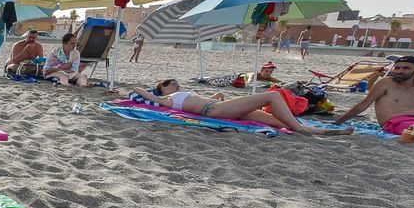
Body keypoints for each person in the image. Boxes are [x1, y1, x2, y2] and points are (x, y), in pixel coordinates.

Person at [132, 79, 353, 136]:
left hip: (220, 107)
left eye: (176, 82)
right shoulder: (168, 100)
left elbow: (199, 101)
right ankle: (304, 129)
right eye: (170, 83)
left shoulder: (181, 95)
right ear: (162, 88)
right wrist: (139, 89)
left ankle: (323, 131)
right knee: (273, 95)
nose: (176, 84)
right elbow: (149, 96)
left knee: (279, 122)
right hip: (217, 111)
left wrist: (215, 95)